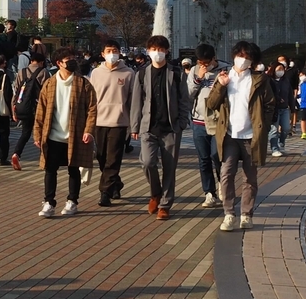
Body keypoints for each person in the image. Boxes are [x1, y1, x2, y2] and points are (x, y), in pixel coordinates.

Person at [206, 41, 275, 232]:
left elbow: (270, 104)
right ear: (234, 55)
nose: (243, 60)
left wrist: (264, 126)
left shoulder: (259, 80)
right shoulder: (224, 77)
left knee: (250, 177)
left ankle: (246, 214)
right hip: (229, 135)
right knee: (226, 174)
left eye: (248, 57)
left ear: (253, 61)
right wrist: (220, 86)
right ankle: (229, 214)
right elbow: (211, 104)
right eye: (240, 55)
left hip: (251, 136)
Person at [130, 35, 189, 220]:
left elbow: (184, 100)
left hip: (170, 128)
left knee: (169, 168)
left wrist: (181, 123)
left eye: (161, 49)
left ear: (167, 51)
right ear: (148, 51)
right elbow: (136, 102)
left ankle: (165, 204)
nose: (158, 53)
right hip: (149, 127)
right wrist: (135, 126)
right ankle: (155, 193)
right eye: (154, 49)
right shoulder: (141, 73)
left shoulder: (176, 73)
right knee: (147, 162)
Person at [33, 47, 97, 218]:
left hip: (74, 135)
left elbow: (92, 109)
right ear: (58, 63)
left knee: (73, 169)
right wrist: (38, 134)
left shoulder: (83, 83)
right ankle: (48, 202)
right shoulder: (50, 84)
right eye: (67, 58)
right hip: (53, 134)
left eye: (73, 57)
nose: (72, 60)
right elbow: (41, 110)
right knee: (50, 169)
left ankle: (72, 201)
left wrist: (89, 130)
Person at [88, 41, 134, 206]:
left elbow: (133, 100)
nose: (112, 53)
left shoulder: (129, 73)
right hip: (99, 121)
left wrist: (133, 124)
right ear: (102, 53)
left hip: (119, 122)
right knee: (101, 157)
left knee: (113, 159)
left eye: (115, 50)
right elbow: (91, 99)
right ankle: (116, 183)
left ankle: (105, 192)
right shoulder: (96, 73)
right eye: (109, 51)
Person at [187, 44, 221, 208]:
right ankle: (209, 193)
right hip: (199, 121)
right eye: (201, 62)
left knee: (218, 155)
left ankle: (223, 185)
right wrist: (198, 78)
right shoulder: (194, 70)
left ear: (214, 58)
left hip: (218, 121)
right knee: (204, 159)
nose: (204, 65)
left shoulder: (225, 69)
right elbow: (187, 94)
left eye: (206, 62)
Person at [10, 51, 50, 170]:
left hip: (23, 107)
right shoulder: (44, 72)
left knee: (25, 133)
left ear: (31, 61)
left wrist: (14, 110)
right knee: (43, 134)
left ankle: (16, 153)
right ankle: (44, 159)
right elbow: (47, 93)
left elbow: (16, 92)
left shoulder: (21, 72)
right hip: (39, 109)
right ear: (41, 62)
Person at [268, 61, 292, 157]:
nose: (280, 72)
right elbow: (269, 93)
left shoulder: (285, 80)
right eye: (278, 69)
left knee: (286, 128)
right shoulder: (269, 80)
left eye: (282, 69)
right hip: (274, 109)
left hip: (285, 108)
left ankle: (281, 143)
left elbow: (289, 93)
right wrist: (277, 99)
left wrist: (292, 105)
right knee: (274, 130)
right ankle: (274, 148)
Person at [296, 72, 306, 139]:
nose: (301, 76)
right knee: (303, 119)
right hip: (303, 105)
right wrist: (297, 96)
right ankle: (303, 133)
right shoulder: (301, 84)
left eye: (302, 75)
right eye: (300, 75)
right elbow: (301, 94)